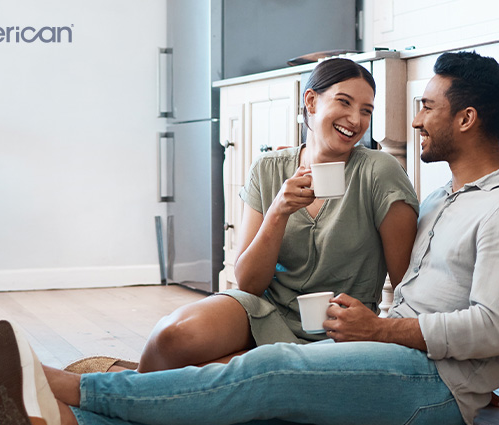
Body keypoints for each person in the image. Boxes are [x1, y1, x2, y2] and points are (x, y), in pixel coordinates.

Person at [0, 51, 499, 425]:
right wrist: (381, 330)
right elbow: (418, 298)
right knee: (253, 406)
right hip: (401, 357)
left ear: (466, 119)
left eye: (427, 106)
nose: (416, 118)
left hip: (435, 387)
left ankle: (64, 385)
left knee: (267, 373)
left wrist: (386, 331)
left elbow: (495, 330)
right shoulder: (445, 197)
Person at [49, 57, 420, 374]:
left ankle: (113, 385)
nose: (355, 120)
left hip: (340, 328)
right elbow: (247, 283)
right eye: (345, 103)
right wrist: (278, 211)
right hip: (264, 310)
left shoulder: (379, 171)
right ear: (311, 101)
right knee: (172, 336)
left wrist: (389, 338)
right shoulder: (269, 169)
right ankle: (143, 381)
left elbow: (407, 283)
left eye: (367, 111)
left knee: (225, 373)